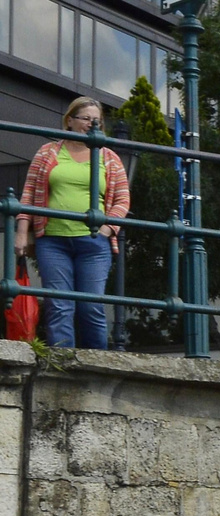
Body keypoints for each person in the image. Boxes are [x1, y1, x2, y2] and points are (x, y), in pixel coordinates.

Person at [15, 96, 130, 350]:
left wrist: (105, 230)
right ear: (70, 121)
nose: (92, 124)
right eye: (86, 119)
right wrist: (22, 233)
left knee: (91, 307)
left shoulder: (109, 157)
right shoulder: (48, 152)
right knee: (59, 307)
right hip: (53, 242)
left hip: (94, 244)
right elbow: (28, 194)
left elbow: (122, 200)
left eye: (97, 121)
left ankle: (97, 366)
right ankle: (63, 365)